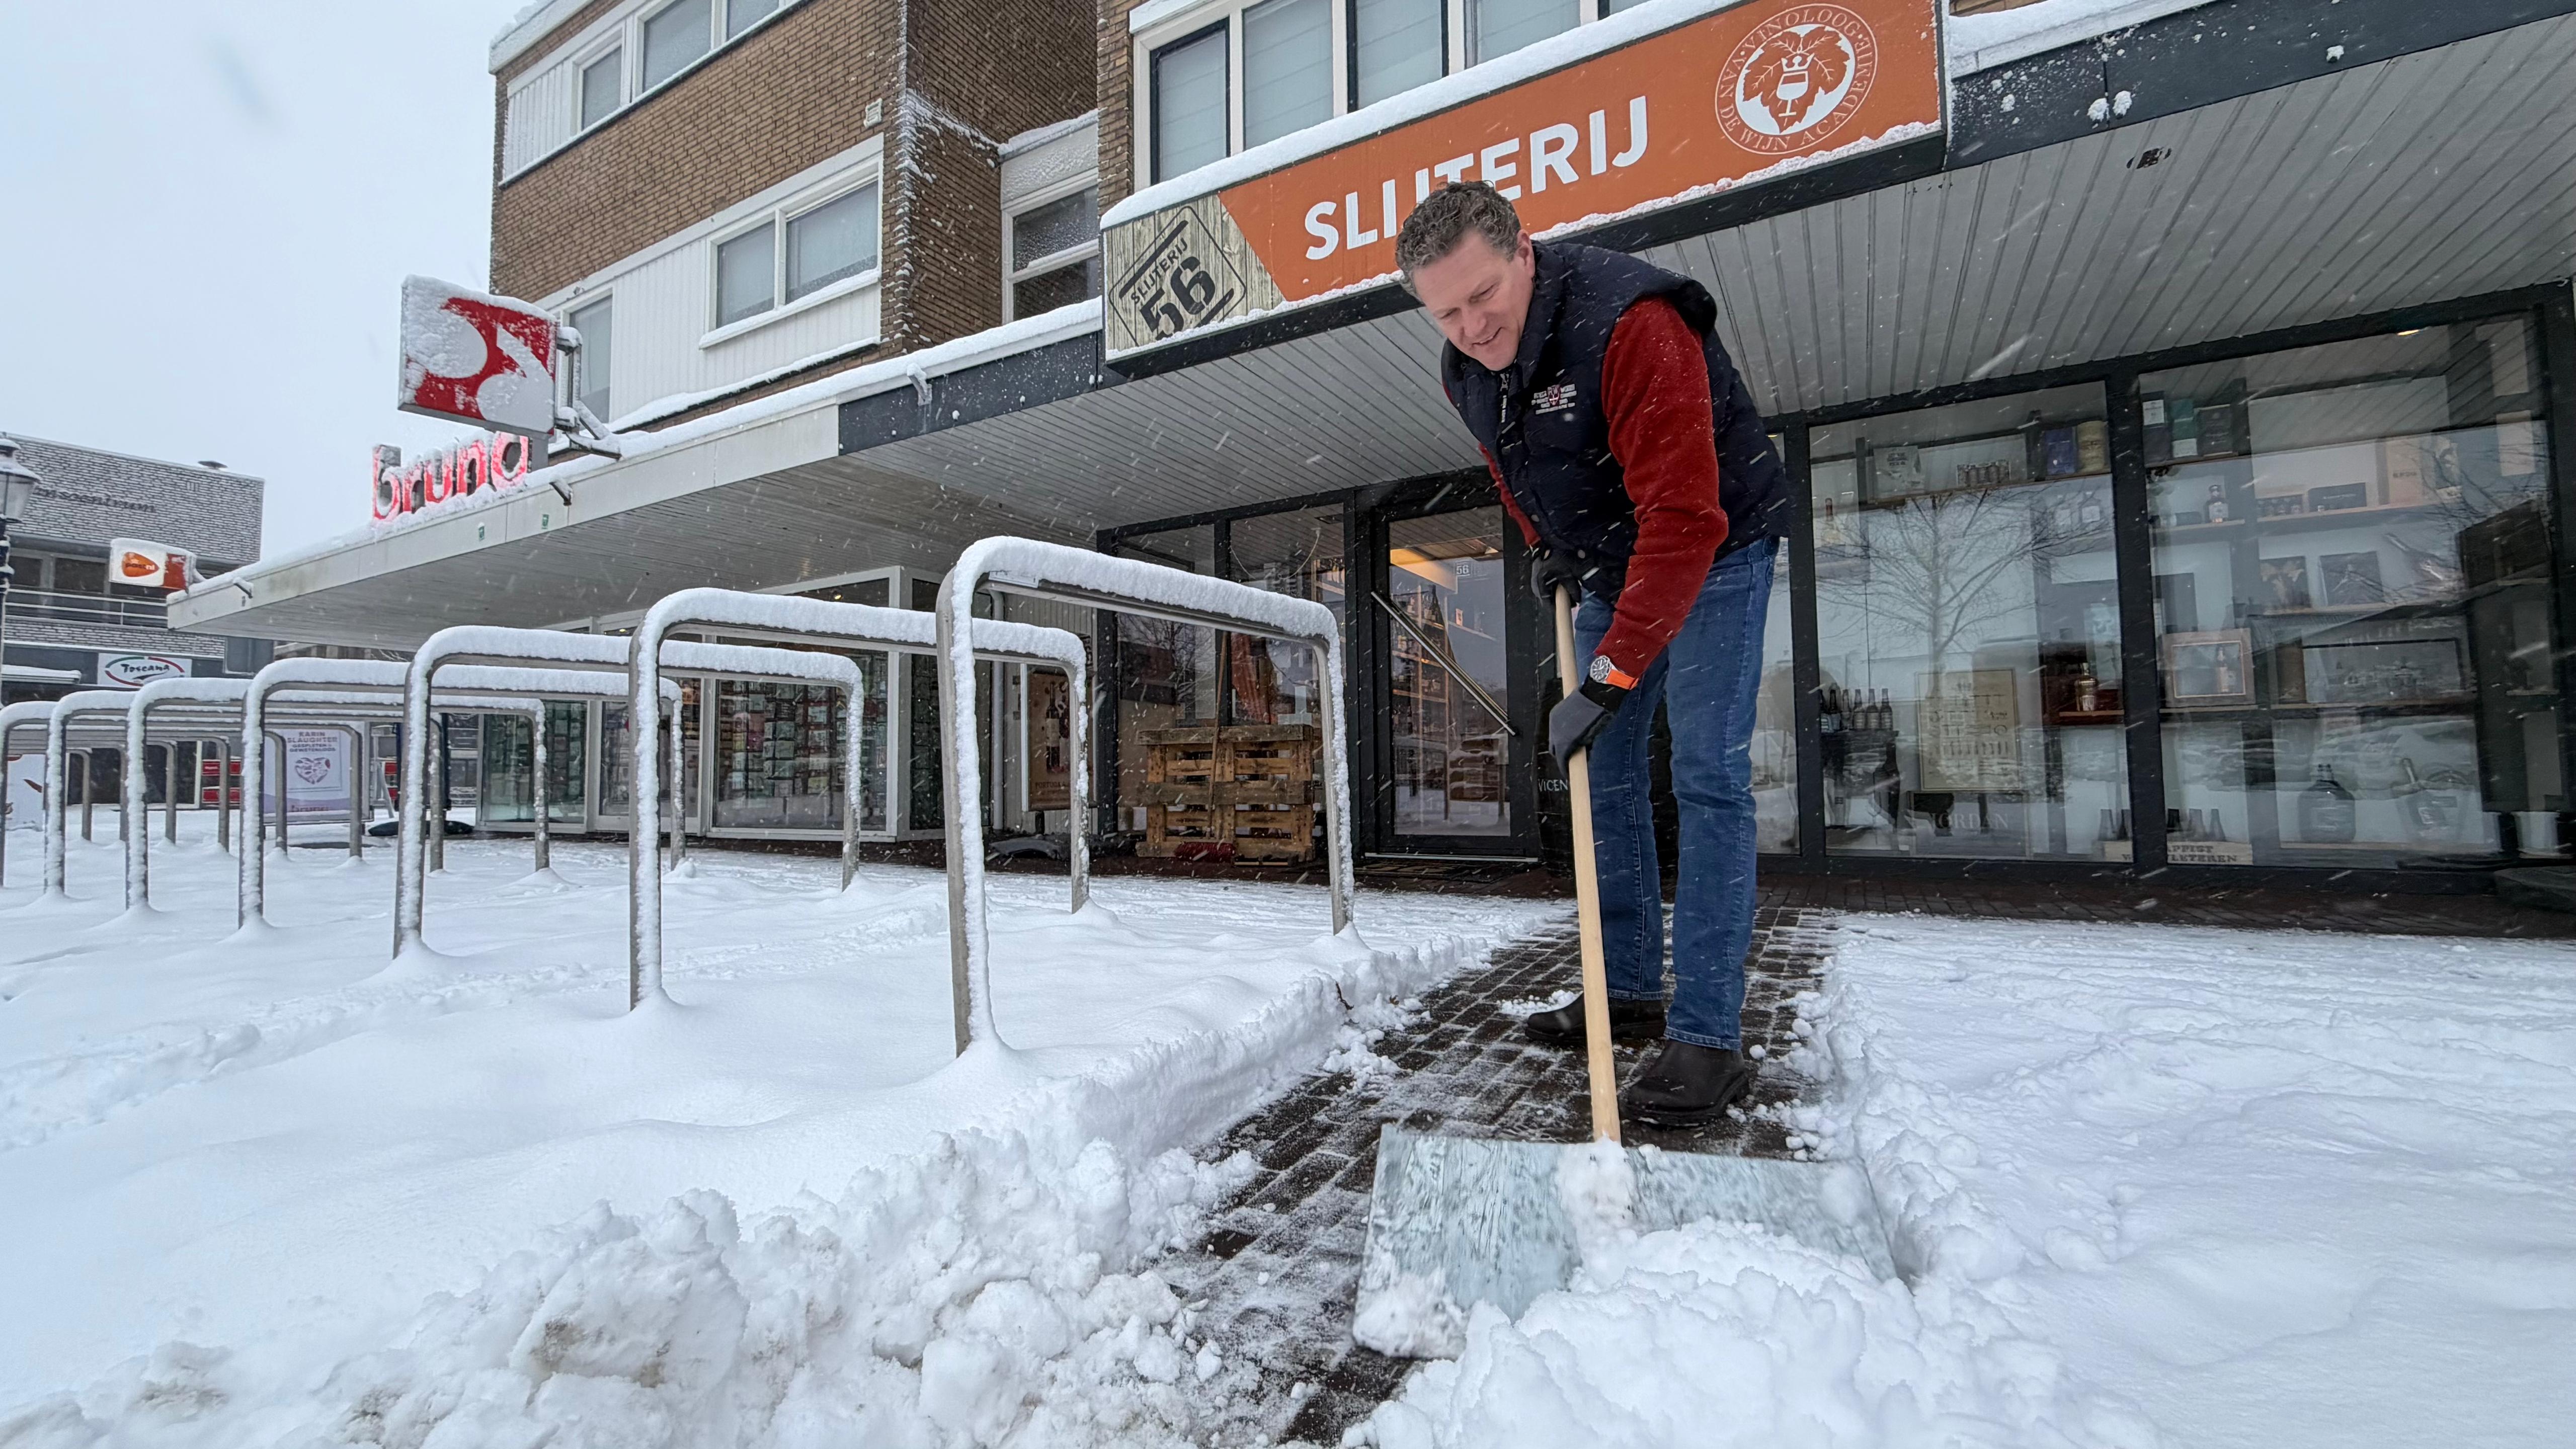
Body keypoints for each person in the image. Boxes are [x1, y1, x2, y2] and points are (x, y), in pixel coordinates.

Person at [1395, 182, 1789, 1125]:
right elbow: (1512, 461)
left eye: (1482, 296)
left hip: (1716, 550)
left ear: (1523, 253)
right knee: (1598, 780)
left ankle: (1706, 1036)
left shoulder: (1633, 324)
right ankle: (1624, 992)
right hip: (1611, 562)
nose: (1472, 327)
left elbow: (1687, 517)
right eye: (1445, 312)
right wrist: (1546, 542)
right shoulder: (1465, 366)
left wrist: (1612, 673)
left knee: (1705, 777)